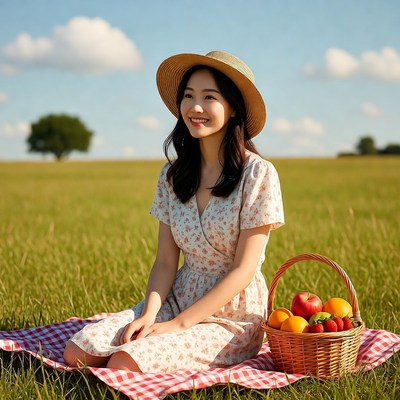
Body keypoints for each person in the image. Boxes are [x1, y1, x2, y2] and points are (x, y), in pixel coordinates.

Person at [63, 50, 284, 373]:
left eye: (209, 97)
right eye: (188, 96)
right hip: (177, 297)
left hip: (231, 316)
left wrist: (180, 325)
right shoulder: (172, 176)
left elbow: (243, 271)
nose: (195, 107)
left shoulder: (259, 175)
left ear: (234, 107)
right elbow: (166, 260)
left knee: (125, 361)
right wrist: (151, 314)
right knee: (78, 351)